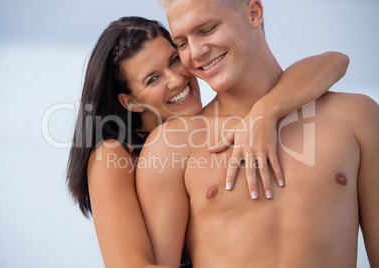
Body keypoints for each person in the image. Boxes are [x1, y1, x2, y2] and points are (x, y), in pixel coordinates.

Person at [66, 17, 350, 267]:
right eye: (153, 79)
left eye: (174, 60)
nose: (176, 80)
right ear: (131, 102)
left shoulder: (200, 130)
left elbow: (335, 61)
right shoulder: (114, 154)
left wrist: (266, 111)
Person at [136, 0, 379, 267]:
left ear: (254, 13)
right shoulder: (171, 145)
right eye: (181, 43)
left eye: (206, 29)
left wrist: (265, 112)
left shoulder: (357, 117)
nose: (195, 53)